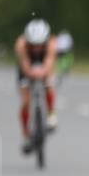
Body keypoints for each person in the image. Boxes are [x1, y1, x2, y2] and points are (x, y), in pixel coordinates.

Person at [15, 19, 58, 153]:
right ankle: (26, 134)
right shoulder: (21, 45)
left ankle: (51, 114)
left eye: (40, 44)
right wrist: (31, 73)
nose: (37, 48)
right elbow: (25, 63)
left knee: (49, 85)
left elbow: (49, 62)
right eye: (33, 45)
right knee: (25, 101)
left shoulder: (52, 43)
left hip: (44, 66)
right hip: (27, 68)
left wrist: (44, 73)